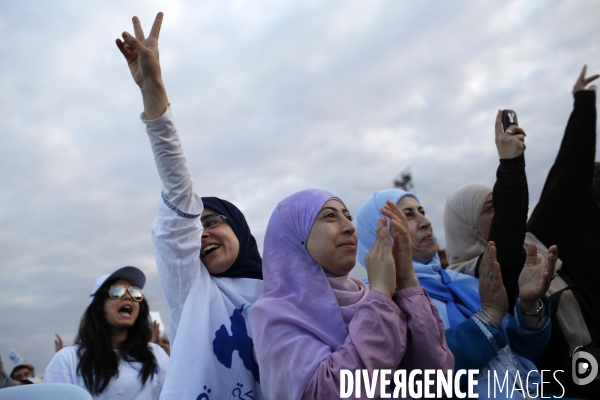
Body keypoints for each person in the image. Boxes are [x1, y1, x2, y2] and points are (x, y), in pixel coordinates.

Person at [116, 12, 263, 399]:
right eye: (195, 226)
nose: (202, 232)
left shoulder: (283, 290)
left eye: (213, 221)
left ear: (241, 230)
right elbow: (179, 190)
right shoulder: (190, 289)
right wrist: (153, 87)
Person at [443, 66, 600, 396]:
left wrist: (583, 103)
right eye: (489, 207)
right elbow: (506, 237)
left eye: (500, 202)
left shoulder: (537, 241)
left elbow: (568, 178)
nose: (500, 211)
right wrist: (511, 165)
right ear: (466, 224)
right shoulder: (466, 282)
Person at [250, 189, 453, 399]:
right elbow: (328, 393)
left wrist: (407, 280)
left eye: (348, 217)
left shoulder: (370, 298)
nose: (349, 227)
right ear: (295, 236)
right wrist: (381, 296)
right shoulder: (274, 313)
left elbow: (434, 382)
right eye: (330, 216)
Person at [356, 189, 559, 398]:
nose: (425, 221)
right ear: (379, 234)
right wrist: (487, 318)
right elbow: (426, 377)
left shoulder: (462, 283)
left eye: (421, 211)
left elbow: (522, 356)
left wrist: (528, 305)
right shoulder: (382, 304)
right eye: (408, 215)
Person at [43, 266, 169, 399]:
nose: (128, 296)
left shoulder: (156, 354)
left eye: (134, 292)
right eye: (116, 291)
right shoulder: (67, 359)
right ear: (99, 305)